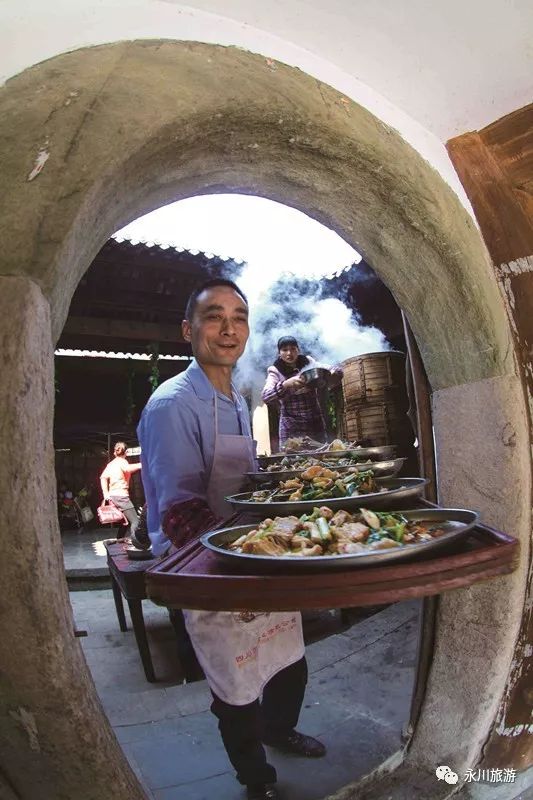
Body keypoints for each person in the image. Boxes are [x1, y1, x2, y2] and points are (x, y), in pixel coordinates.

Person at [137, 278, 325, 800]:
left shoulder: (236, 398)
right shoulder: (173, 404)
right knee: (235, 683)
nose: (228, 327)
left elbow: (241, 481)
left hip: (254, 551)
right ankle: (255, 777)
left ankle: (281, 728)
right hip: (207, 565)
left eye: (239, 316)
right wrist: (252, 550)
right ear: (188, 329)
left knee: (288, 656)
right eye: (214, 315)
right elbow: (178, 510)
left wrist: (282, 497)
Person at [261, 336, 343, 449]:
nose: (289, 353)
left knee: (321, 456)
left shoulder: (308, 362)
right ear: (279, 353)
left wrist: (333, 372)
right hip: (291, 425)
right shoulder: (275, 371)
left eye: (293, 349)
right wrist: (286, 384)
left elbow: (334, 369)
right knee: (292, 460)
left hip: (315, 422)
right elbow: (266, 396)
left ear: (298, 350)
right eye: (285, 350)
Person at [99, 442, 144, 546]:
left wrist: (105, 493)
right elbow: (127, 469)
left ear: (115, 452)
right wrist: (142, 464)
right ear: (126, 452)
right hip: (121, 496)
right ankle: (137, 544)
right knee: (135, 521)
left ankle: (119, 541)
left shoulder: (111, 464)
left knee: (125, 521)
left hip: (113, 496)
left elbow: (103, 477)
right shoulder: (122, 462)